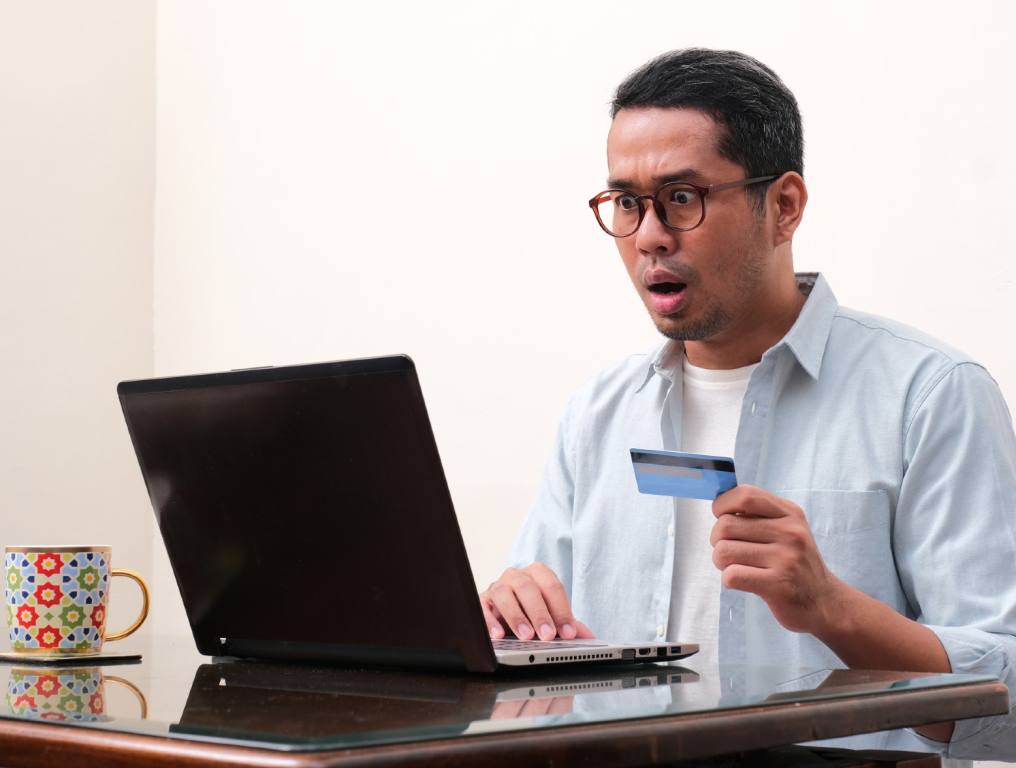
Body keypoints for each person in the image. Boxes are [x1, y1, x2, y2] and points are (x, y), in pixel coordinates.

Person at [478, 48, 1016, 745]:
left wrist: (832, 609)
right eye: (626, 203)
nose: (648, 237)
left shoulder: (930, 396)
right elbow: (542, 668)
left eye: (682, 197)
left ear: (784, 206)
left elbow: (1008, 707)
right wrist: (509, 622)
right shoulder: (597, 415)